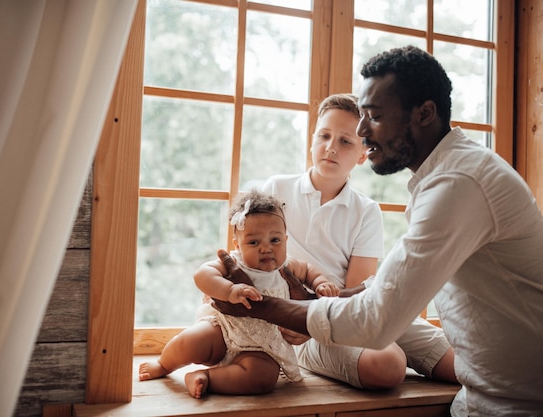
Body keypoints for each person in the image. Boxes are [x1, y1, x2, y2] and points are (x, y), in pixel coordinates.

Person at [213, 45, 543, 416]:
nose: (361, 131)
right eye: (328, 134)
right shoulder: (445, 176)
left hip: (517, 406)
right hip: (483, 399)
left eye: (374, 116)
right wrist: (301, 303)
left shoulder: (457, 183)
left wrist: (269, 307)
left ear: (424, 114)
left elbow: (377, 317)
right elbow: (390, 284)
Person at [261, 92, 456, 390]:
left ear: (363, 154)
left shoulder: (366, 211)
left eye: (345, 141)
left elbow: (357, 296)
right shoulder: (276, 188)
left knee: (467, 363)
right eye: (324, 136)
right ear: (312, 140)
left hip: (351, 310)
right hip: (298, 325)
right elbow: (250, 259)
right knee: (388, 365)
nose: (331, 148)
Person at [138, 189, 340, 399]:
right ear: (237, 245)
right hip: (223, 331)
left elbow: (309, 270)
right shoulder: (235, 262)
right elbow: (202, 275)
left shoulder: (287, 266)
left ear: (286, 239)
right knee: (189, 342)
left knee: (263, 379)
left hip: (263, 346)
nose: (266, 248)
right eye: (254, 242)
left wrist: (321, 283)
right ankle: (163, 364)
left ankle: (206, 377)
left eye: (275, 240)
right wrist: (229, 290)